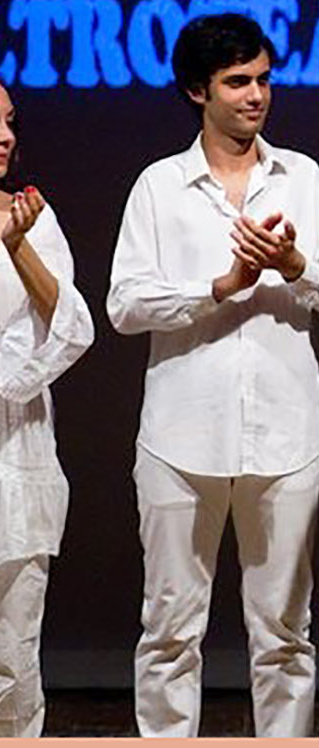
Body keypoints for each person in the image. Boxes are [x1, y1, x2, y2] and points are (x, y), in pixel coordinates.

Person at [107, 13, 319, 737]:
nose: (256, 95)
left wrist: (294, 267)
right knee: (169, 629)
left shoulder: (302, 177)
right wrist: (221, 286)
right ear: (197, 90)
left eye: (264, 79)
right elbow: (125, 304)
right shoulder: (160, 185)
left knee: (284, 631)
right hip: (180, 434)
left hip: (288, 431)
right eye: (237, 82)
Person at [0, 84, 94, 737]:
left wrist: (15, 245)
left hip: (14, 467)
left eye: (8, 122)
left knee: (12, 662)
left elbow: (71, 330)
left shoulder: (31, 218)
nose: (6, 137)